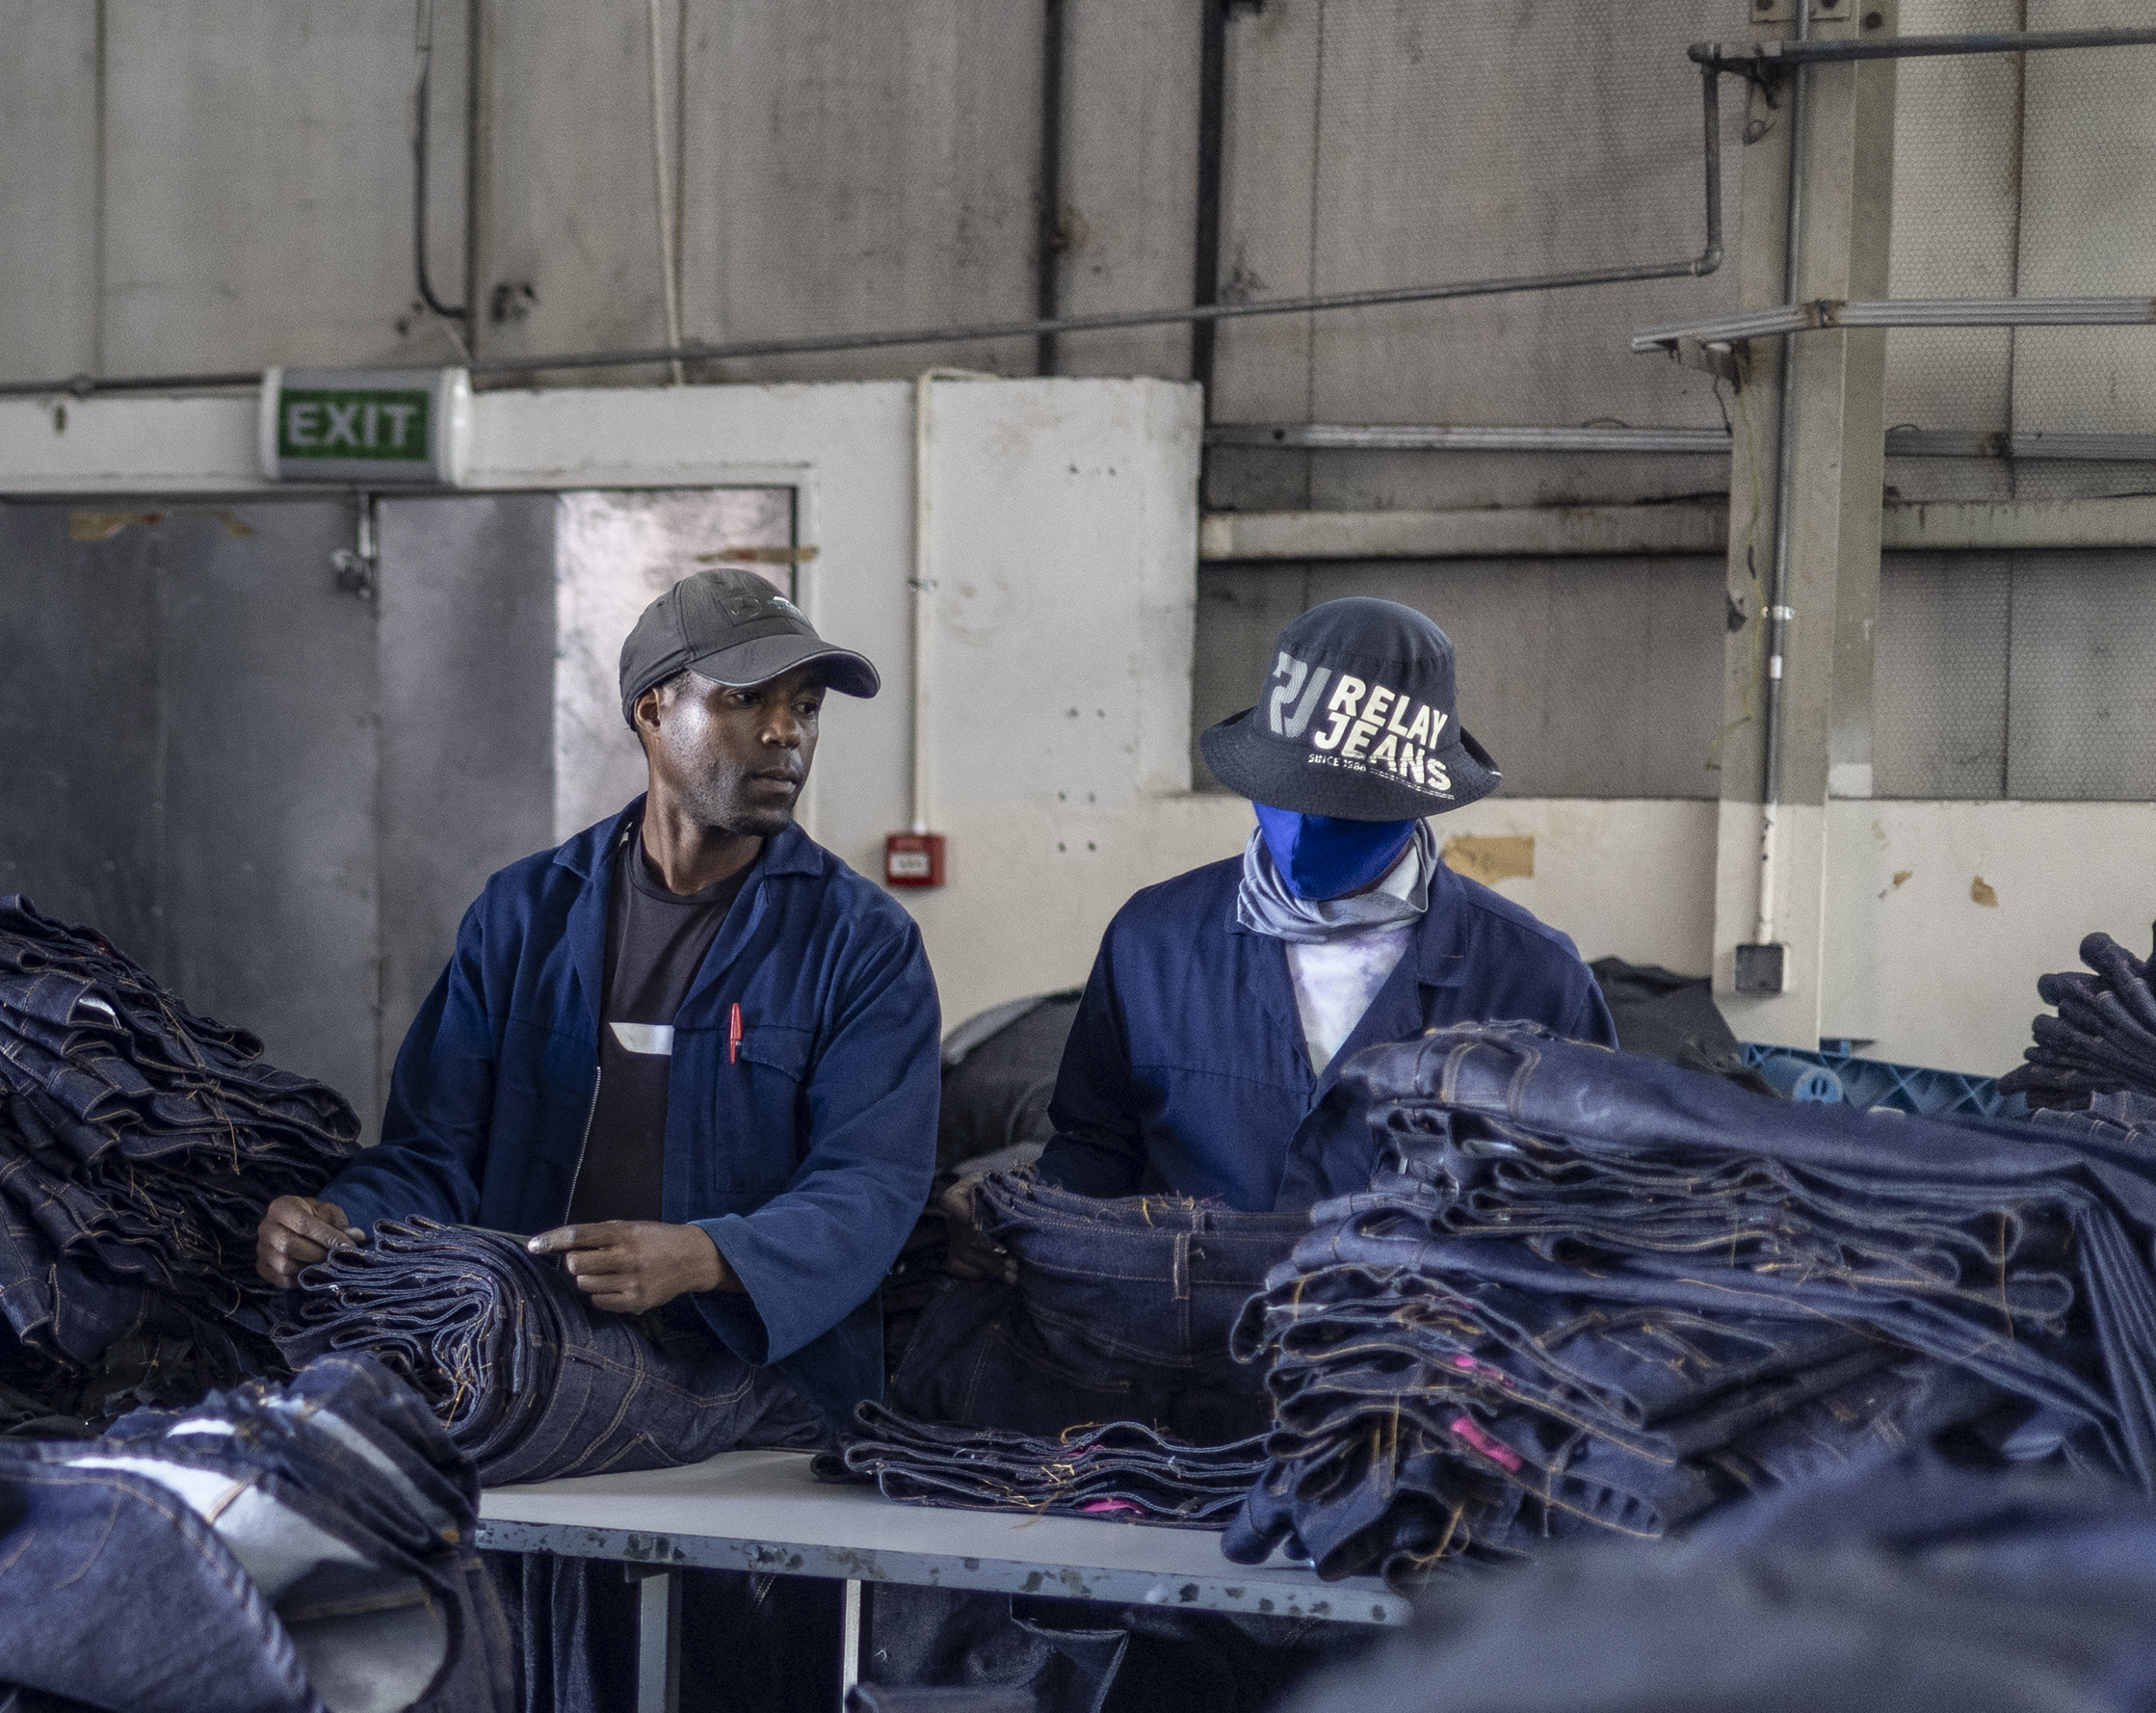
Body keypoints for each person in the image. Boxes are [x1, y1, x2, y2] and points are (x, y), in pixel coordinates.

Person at [255, 567, 941, 1431]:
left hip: (767, 1393)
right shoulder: (522, 916)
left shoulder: (858, 941)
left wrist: (705, 1257)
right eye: (745, 700)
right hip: (527, 1359)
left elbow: (870, 1184)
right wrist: (340, 1218)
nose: (784, 733)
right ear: (652, 710)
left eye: (805, 707)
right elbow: (438, 1153)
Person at [1038, 596, 1610, 1211]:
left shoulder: (1535, 978)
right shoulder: (1153, 942)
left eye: (1345, 807)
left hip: (1421, 1310)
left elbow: (1586, 1195)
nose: (1307, 827)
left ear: (1418, 801)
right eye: (1287, 792)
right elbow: (1095, 1148)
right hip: (1192, 1305)